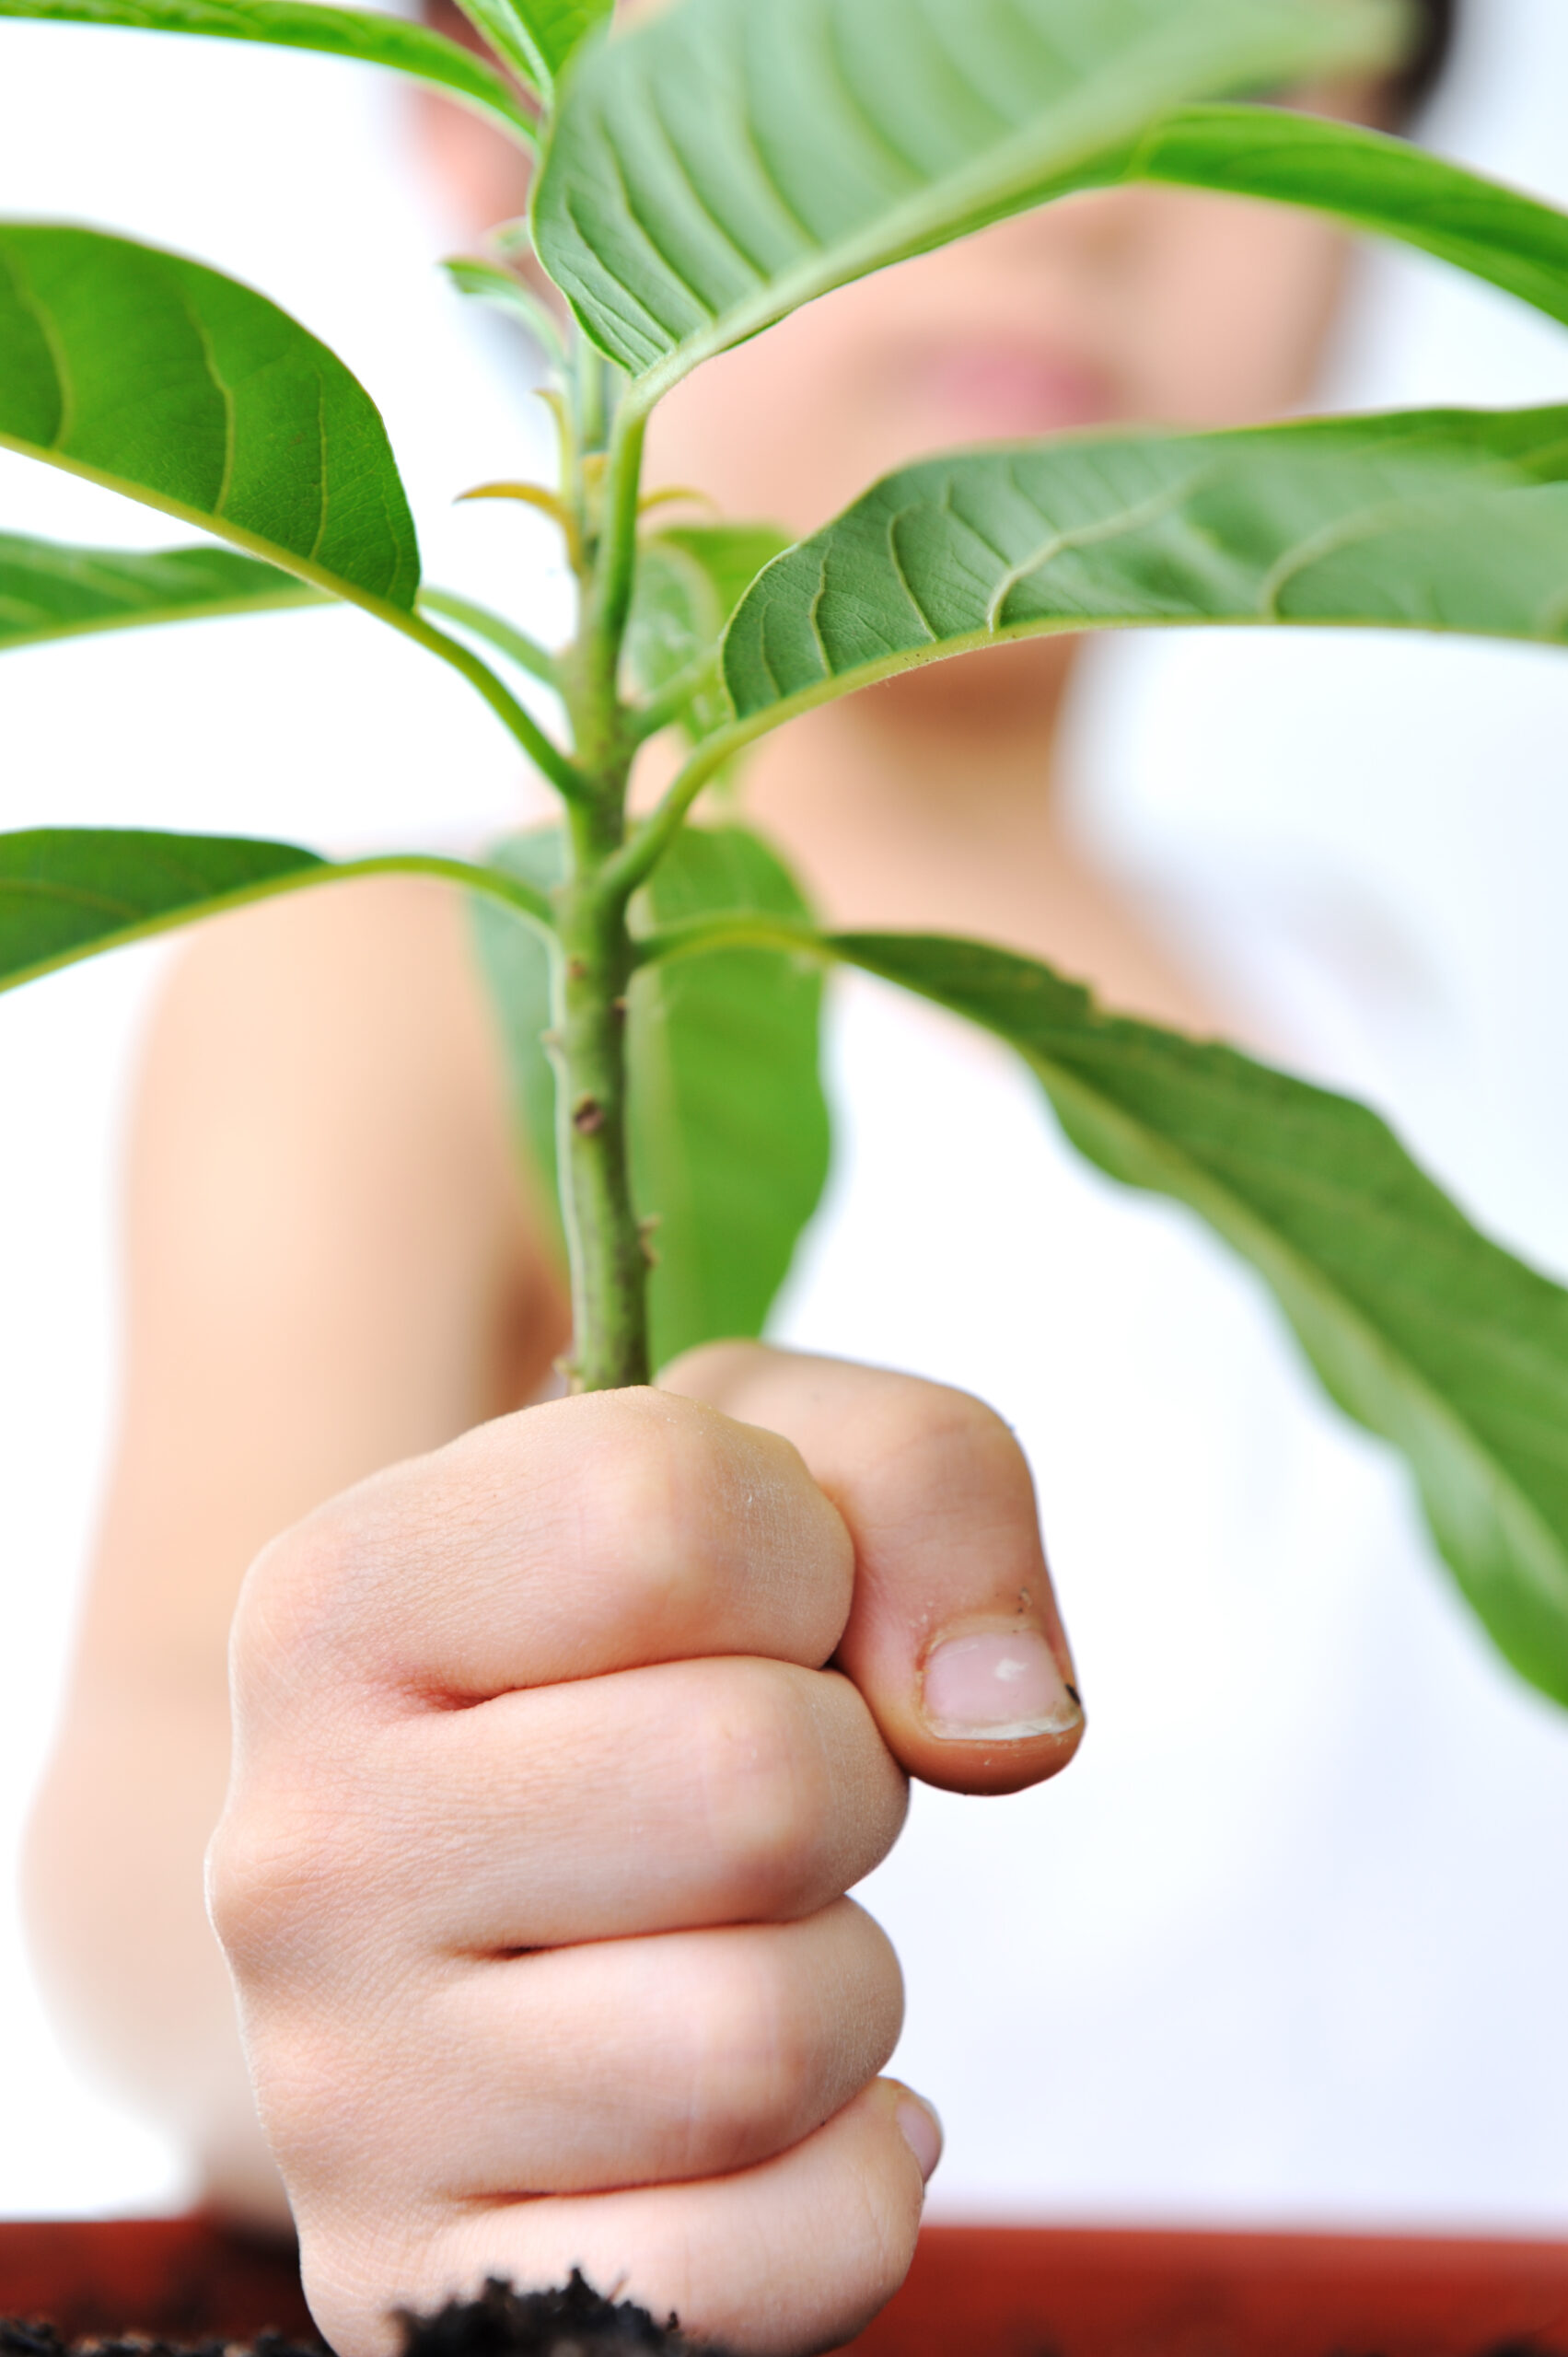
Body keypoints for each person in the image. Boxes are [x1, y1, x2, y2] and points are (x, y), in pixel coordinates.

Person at [32, 6, 1567, 2355]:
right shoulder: (384, 982)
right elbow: (172, 1773)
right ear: (494, 142)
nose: (1069, 195)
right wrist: (362, 2032)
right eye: (876, 57)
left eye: (1225, 82)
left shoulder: (1368, 992)